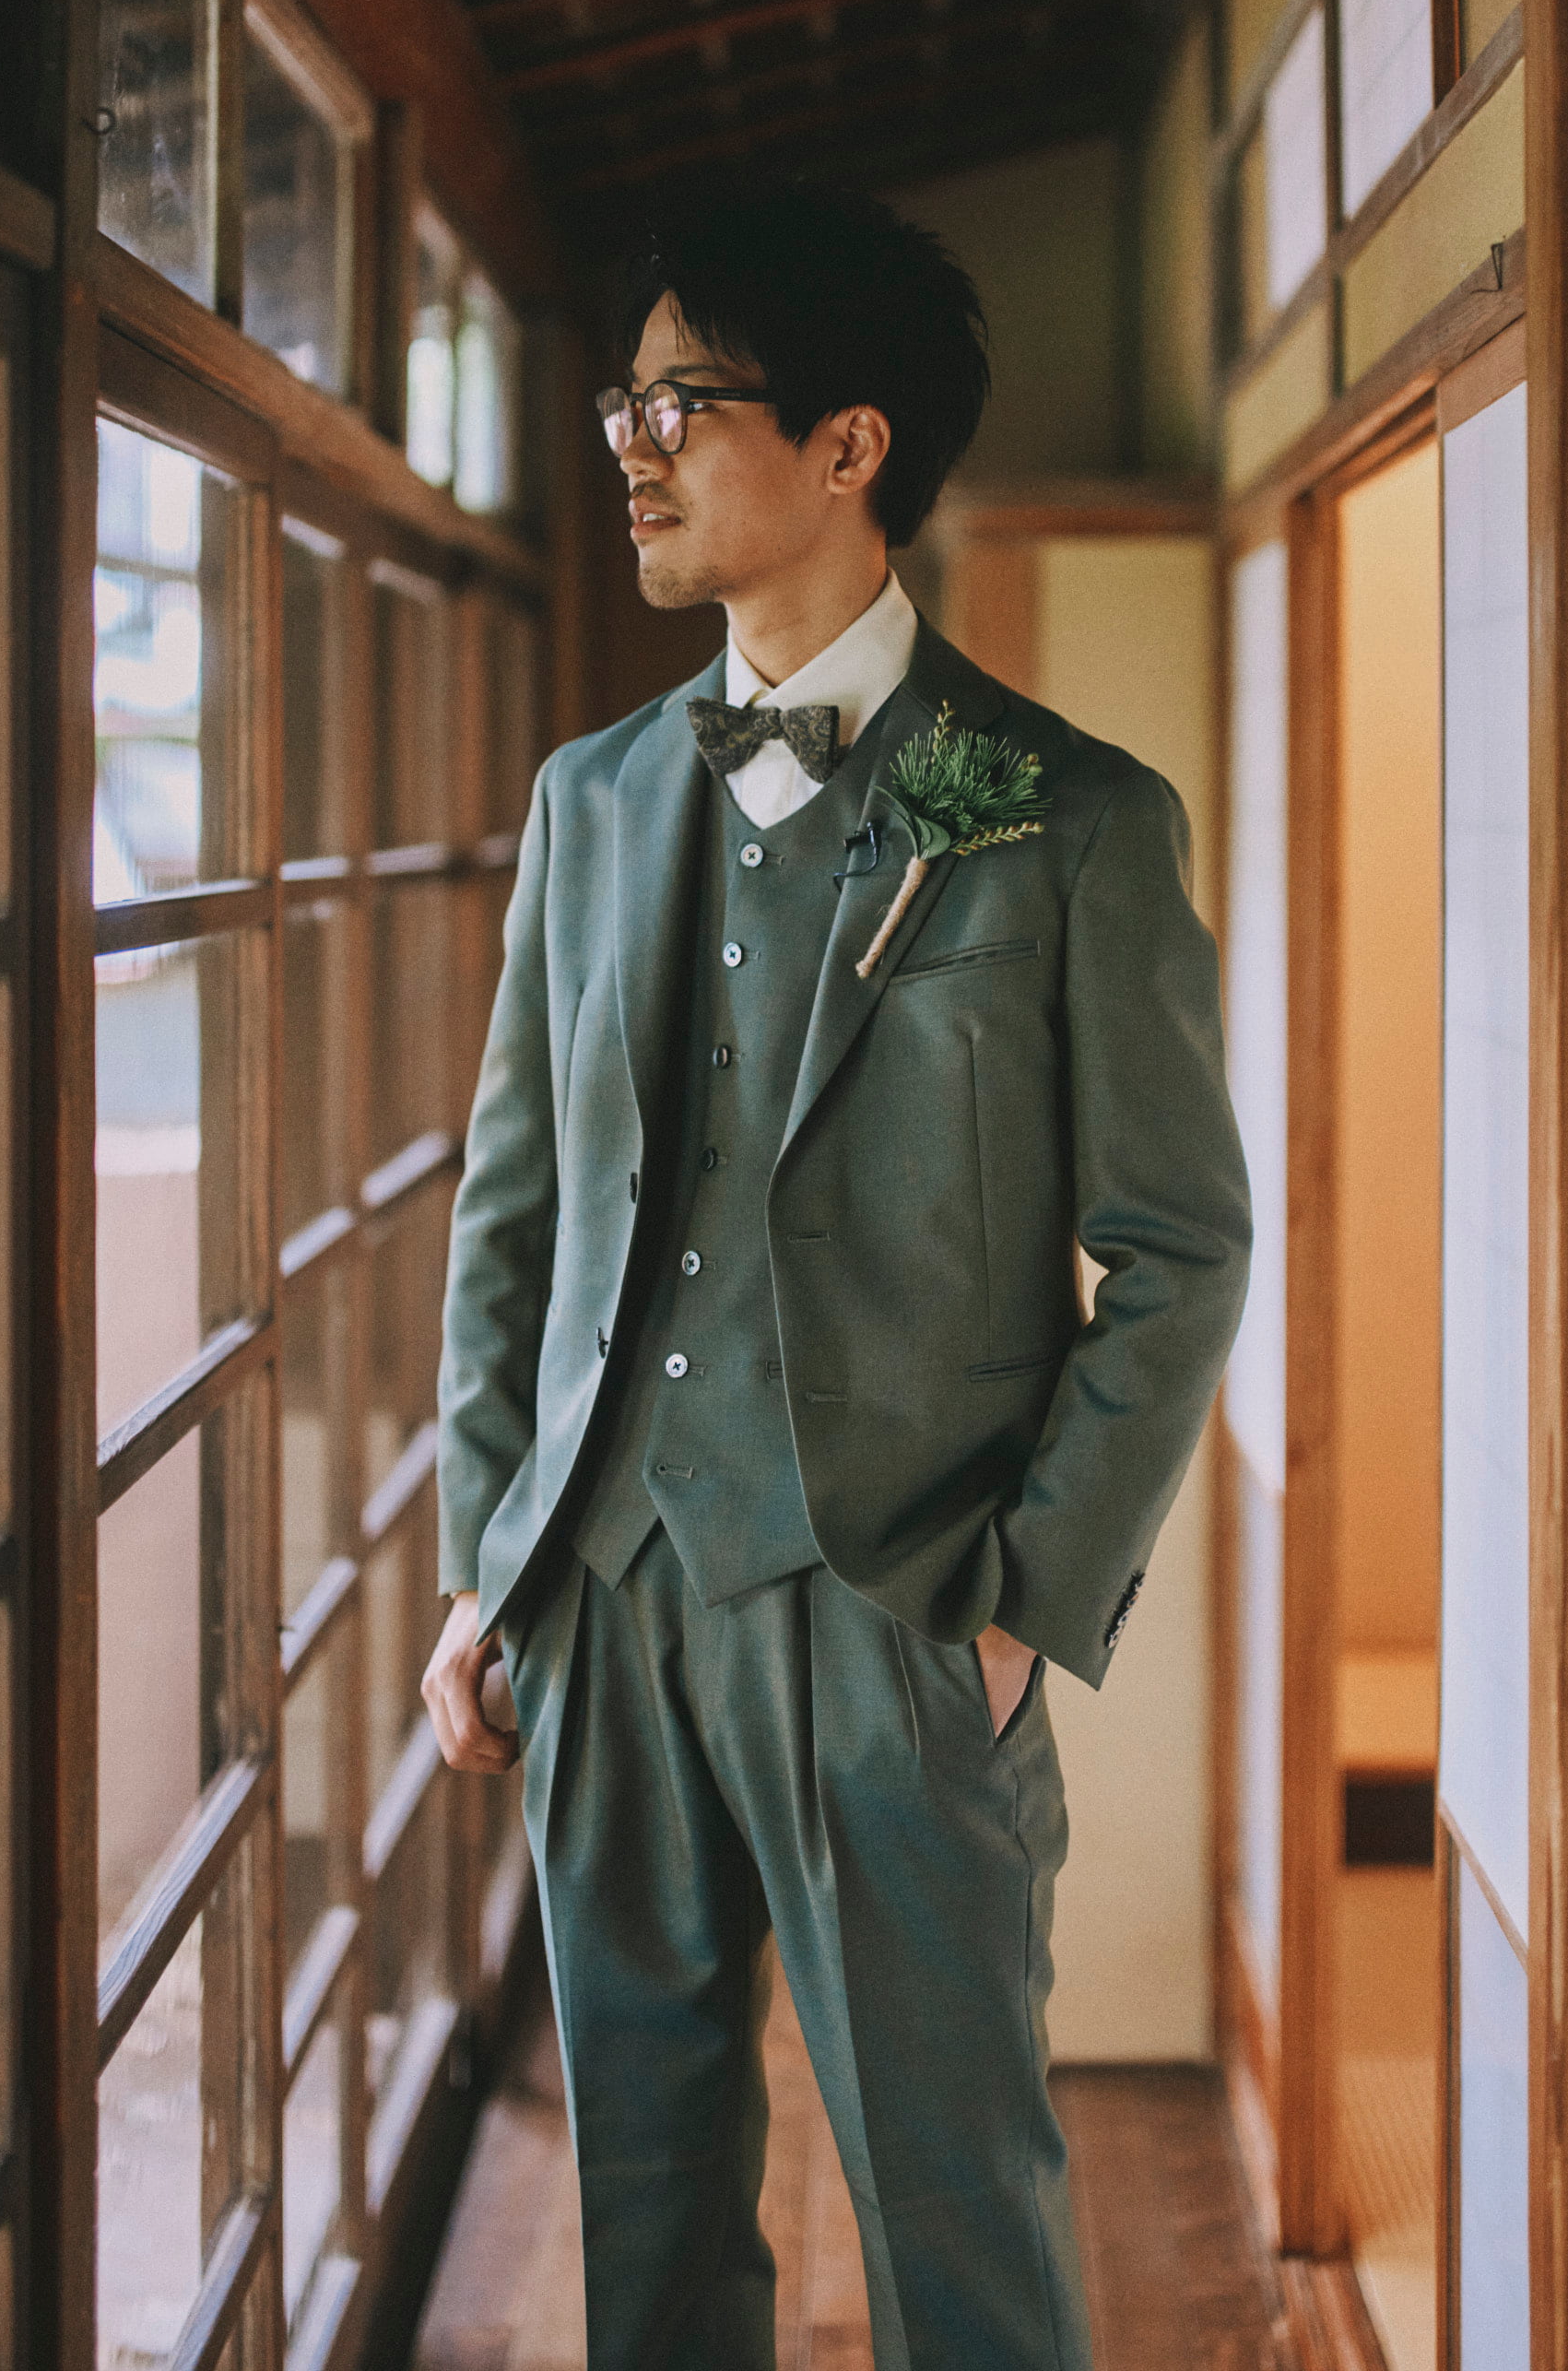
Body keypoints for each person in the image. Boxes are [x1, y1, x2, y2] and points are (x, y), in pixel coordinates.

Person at [421, 180, 1251, 2371]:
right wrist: (487, 1564)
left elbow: (1180, 1252)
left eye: (684, 399)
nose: (636, 442)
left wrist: (1017, 1612)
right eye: (632, 397)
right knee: (653, 2214)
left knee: (957, 2208)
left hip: (900, 1613)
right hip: (606, 1594)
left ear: (851, 444)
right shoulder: (591, 802)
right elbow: (517, 1216)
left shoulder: (1067, 818)